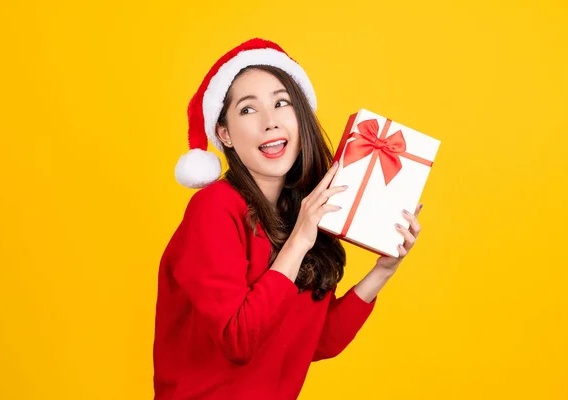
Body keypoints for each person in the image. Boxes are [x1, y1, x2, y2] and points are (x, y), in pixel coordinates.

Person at [153, 38, 423, 400]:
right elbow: (239, 341)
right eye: (248, 110)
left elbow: (315, 342)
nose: (270, 122)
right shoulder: (214, 208)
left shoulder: (298, 210)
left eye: (282, 103)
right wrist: (299, 239)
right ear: (225, 134)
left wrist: (383, 270)